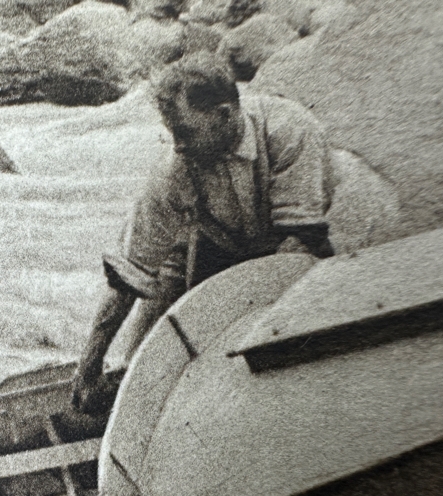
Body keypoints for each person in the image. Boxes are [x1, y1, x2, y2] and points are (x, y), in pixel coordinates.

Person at [71, 52, 335, 414]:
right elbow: (130, 274)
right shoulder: (177, 168)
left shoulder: (289, 131)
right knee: (156, 353)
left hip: (294, 247)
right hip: (219, 244)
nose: (177, 146)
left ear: (225, 115)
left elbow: (297, 244)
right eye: (172, 133)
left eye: (185, 133)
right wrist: (89, 365)